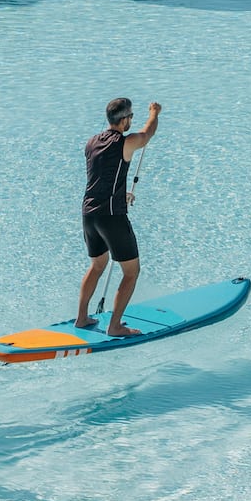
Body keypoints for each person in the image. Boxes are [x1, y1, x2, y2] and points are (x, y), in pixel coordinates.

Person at [76, 97, 161, 337]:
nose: (132, 121)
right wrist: (154, 113)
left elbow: (101, 175)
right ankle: (115, 326)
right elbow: (147, 134)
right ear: (124, 120)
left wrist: (120, 194)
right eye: (131, 117)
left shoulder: (91, 143)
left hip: (89, 215)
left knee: (97, 265)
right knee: (131, 272)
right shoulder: (126, 142)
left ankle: (82, 318)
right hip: (112, 218)